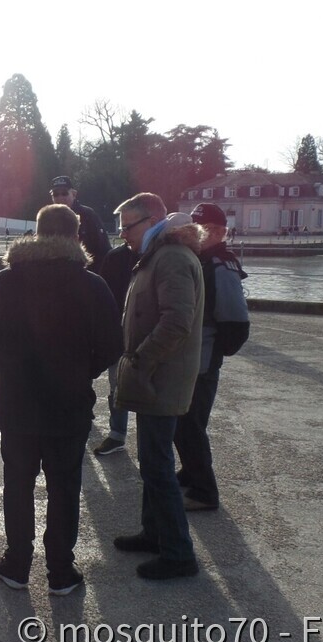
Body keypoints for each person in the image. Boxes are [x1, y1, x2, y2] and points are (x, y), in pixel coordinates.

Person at [0, 204, 122, 596]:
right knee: (64, 485)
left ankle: (17, 564)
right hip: (68, 403)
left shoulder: (6, 281)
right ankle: (60, 570)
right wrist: (80, 371)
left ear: (37, 234)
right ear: (77, 236)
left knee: (18, 483)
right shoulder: (93, 285)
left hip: (18, 401)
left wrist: (8, 366)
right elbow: (112, 346)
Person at [111, 193, 206, 581]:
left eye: (127, 227)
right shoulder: (161, 255)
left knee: (158, 466)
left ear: (151, 222)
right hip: (156, 377)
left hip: (161, 377)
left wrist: (141, 360)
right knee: (153, 461)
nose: (122, 236)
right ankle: (156, 534)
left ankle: (178, 552)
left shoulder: (170, 259)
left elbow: (176, 322)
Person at [174, 203, 250, 511]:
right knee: (185, 422)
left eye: (201, 228)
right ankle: (191, 473)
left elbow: (236, 322)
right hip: (195, 356)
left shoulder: (219, 264)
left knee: (190, 424)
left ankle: (205, 491)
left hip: (203, 360)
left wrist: (215, 351)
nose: (195, 233)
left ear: (220, 232)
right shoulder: (203, 259)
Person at [92, 238, 140, 456]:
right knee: (116, 385)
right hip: (118, 332)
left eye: (128, 227)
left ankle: (148, 444)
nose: (124, 233)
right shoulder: (115, 257)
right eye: (122, 228)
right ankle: (117, 434)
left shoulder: (160, 256)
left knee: (149, 390)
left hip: (144, 333)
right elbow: (102, 296)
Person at [50, 176, 111, 262]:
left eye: (64, 193)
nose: (60, 198)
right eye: (56, 194)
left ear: (74, 194)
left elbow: (103, 249)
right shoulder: (48, 218)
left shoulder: (88, 215)